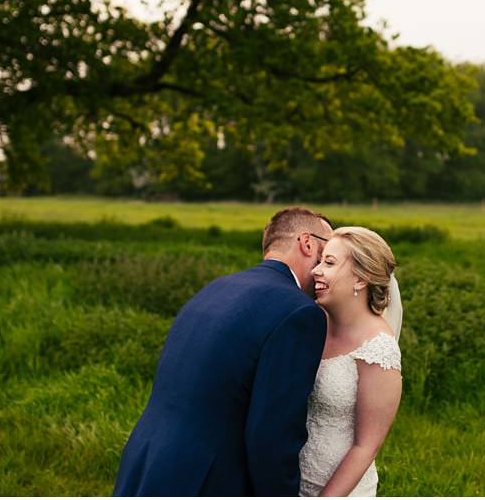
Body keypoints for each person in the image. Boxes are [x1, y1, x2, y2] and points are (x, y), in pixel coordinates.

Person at [113, 207, 333, 496]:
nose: (326, 267)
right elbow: (273, 434)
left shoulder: (218, 288)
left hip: (146, 461)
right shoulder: (298, 313)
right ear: (307, 243)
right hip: (207, 478)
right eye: (327, 252)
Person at [298, 226, 403, 497]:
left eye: (329, 263)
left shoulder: (379, 350)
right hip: (290, 480)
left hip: (339, 490)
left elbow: (365, 447)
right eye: (320, 261)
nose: (316, 271)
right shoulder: (312, 323)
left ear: (360, 279)